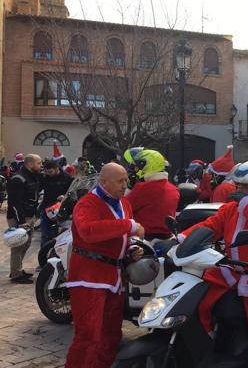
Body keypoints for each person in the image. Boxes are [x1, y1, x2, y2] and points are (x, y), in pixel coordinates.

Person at [178, 160, 248, 368]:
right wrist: (180, 239)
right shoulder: (231, 209)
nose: (238, 191)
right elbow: (210, 226)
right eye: (237, 186)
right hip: (232, 271)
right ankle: (211, 346)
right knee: (198, 298)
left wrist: (246, 202)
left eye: (244, 187)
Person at [65, 163, 145, 368]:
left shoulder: (124, 203)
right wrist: (129, 225)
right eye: (120, 181)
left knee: (111, 334)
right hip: (88, 278)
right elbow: (88, 231)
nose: (125, 184)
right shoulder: (87, 204)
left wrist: (131, 248)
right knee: (89, 335)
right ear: (104, 182)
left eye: (126, 179)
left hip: (114, 277)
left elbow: (125, 236)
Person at [126, 150, 180, 240]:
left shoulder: (142, 188)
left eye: (139, 166)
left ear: (148, 165)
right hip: (167, 238)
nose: (136, 170)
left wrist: (129, 187)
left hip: (144, 239)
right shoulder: (174, 189)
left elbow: (124, 208)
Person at [6, 154, 42, 283]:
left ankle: (18, 269)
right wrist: (21, 222)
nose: (41, 165)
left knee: (26, 244)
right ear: (30, 164)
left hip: (29, 216)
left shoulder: (32, 177)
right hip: (19, 218)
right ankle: (16, 274)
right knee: (18, 245)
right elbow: (14, 203)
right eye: (39, 163)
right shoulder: (18, 179)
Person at [39, 160, 73, 248]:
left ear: (57, 169)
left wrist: (64, 196)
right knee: (45, 234)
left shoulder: (67, 178)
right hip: (46, 207)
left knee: (60, 234)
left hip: (61, 209)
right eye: (46, 172)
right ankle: (43, 254)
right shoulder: (44, 177)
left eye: (50, 172)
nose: (48, 174)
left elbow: (72, 192)